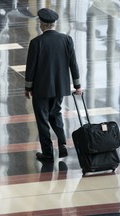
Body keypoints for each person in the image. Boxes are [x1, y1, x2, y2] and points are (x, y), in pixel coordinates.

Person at [25, 8, 82, 163]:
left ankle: (48, 152)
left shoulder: (36, 42)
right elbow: (73, 64)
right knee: (56, 113)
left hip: (41, 89)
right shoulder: (67, 39)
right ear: (54, 24)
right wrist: (77, 85)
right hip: (59, 88)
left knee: (42, 119)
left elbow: (31, 68)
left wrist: (28, 88)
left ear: (42, 24)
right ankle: (62, 143)